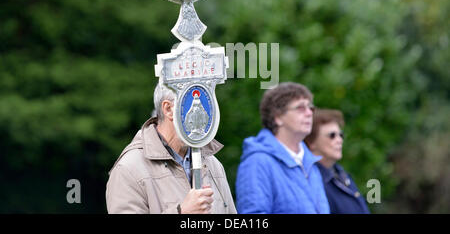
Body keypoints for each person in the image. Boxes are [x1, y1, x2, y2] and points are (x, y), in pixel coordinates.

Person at [106, 82, 236, 214]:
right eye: (192, 105)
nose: (206, 115)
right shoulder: (129, 169)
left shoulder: (212, 164)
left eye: (207, 104)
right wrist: (181, 212)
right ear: (168, 109)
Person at [235, 82, 330, 214]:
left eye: (310, 108)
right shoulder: (257, 162)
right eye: (300, 108)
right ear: (278, 117)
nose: (309, 113)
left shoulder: (311, 163)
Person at [304, 108, 370, 214]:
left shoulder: (341, 174)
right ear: (311, 142)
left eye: (341, 135)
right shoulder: (310, 181)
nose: (339, 140)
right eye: (332, 135)